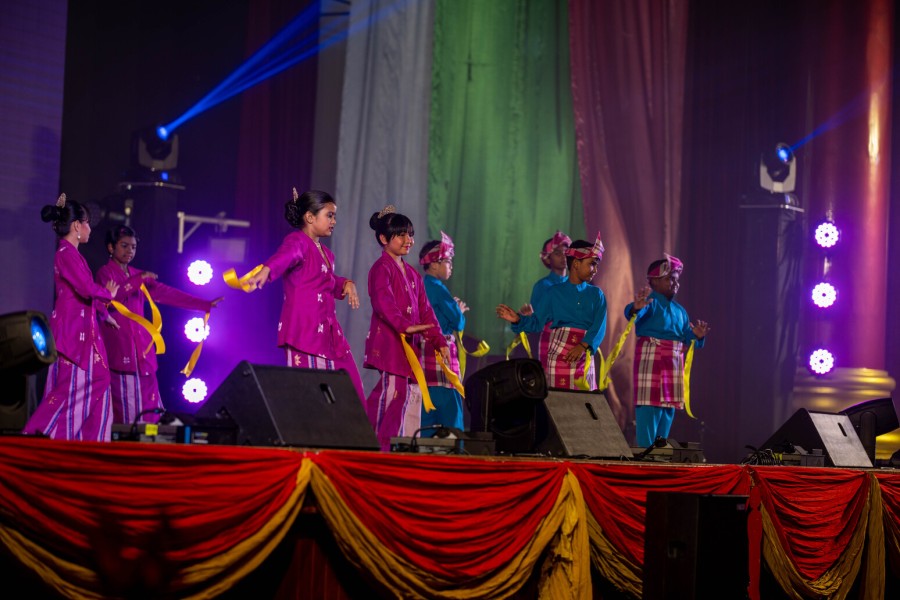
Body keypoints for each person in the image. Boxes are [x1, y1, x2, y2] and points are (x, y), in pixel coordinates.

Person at [244, 188, 365, 403]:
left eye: (334, 216)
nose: (334, 221)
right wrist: (267, 269)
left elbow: (327, 280)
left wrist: (346, 284)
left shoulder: (327, 254)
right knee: (310, 399)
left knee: (351, 391)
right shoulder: (298, 241)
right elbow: (286, 256)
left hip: (328, 334)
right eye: (329, 215)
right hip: (305, 332)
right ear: (310, 217)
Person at [95, 225, 222, 425]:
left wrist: (203, 304)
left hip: (143, 353)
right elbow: (110, 298)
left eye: (133, 247)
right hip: (121, 351)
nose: (130, 251)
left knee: (152, 413)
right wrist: (138, 280)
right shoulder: (105, 273)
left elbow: (167, 294)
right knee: (129, 417)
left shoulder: (137, 274)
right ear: (111, 247)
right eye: (124, 246)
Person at [23, 193, 118, 441]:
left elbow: (85, 294)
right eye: (87, 223)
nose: (89, 229)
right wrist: (107, 294)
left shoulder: (73, 254)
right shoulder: (65, 253)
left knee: (100, 381)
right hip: (74, 333)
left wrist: (103, 312)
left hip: (85, 330)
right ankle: (40, 435)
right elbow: (86, 288)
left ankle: (92, 443)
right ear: (76, 225)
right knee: (72, 386)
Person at [364, 206, 450, 450]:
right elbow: (383, 303)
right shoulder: (381, 268)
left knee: (405, 398)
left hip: (409, 348)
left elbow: (426, 312)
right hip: (391, 344)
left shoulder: (412, 274)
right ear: (384, 239)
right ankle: (373, 448)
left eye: (410, 235)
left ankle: (396, 450)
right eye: (401, 235)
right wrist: (405, 326)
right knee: (391, 396)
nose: (408, 240)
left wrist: (439, 341)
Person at [496, 234, 607, 390]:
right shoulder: (552, 292)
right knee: (559, 399)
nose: (595, 270)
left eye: (596, 265)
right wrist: (518, 319)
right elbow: (536, 323)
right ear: (576, 264)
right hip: (558, 354)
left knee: (584, 399)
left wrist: (583, 345)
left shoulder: (596, 294)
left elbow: (599, 325)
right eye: (592, 264)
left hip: (584, 353)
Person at [624, 254, 709, 448]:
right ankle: (646, 452)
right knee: (649, 406)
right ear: (654, 281)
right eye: (670, 279)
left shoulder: (680, 311)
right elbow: (632, 313)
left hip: (673, 363)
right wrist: (636, 308)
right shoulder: (649, 303)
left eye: (677, 280)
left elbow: (688, 338)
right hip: (652, 359)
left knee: (668, 408)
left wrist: (697, 336)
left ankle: (659, 452)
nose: (675, 283)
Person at [418, 232, 467, 433]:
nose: (451, 266)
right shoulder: (439, 288)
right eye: (448, 261)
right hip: (441, 354)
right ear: (434, 264)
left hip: (423, 353)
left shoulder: (420, 285)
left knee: (426, 414)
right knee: (451, 414)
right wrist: (459, 310)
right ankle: (455, 449)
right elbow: (458, 322)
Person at [520, 230, 571, 364]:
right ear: (548, 258)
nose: (563, 257)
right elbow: (536, 323)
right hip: (549, 343)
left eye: (566, 253)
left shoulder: (577, 285)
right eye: (557, 253)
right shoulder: (542, 286)